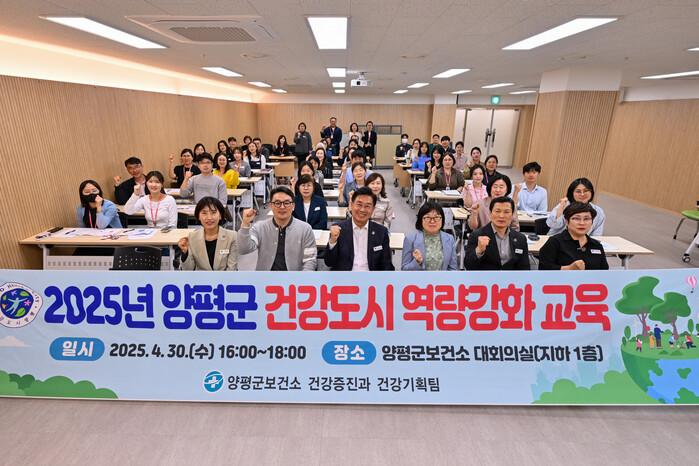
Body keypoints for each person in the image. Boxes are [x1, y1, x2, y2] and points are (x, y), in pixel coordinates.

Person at [238, 187, 317, 271]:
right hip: (265, 278)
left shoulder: (305, 229)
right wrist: (245, 224)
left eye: (286, 203)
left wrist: (302, 278)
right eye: (277, 203)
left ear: (293, 206)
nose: (282, 207)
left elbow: (310, 260)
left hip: (294, 278)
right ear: (271, 206)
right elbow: (243, 249)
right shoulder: (260, 227)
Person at [324, 187, 394, 271]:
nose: (362, 210)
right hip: (345, 276)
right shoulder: (339, 229)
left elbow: (387, 265)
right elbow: (329, 262)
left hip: (371, 276)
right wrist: (332, 241)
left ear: (373, 209)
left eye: (367, 206)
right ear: (352, 205)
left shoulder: (381, 232)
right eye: (359, 204)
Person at [464, 197, 530, 270]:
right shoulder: (477, 235)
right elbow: (468, 266)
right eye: (497, 211)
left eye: (506, 212)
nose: (501, 216)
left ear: (512, 214)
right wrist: (478, 251)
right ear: (490, 213)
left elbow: (525, 268)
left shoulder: (520, 238)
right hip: (486, 276)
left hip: (511, 277)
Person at [538, 202, 609, 270]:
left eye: (586, 219)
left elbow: (604, 271)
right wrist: (568, 269)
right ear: (567, 221)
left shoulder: (596, 245)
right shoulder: (555, 242)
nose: (582, 223)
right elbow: (543, 268)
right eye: (576, 218)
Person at [178, 197, 237, 271]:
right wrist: (185, 253)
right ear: (198, 216)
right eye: (204, 213)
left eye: (213, 212)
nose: (209, 217)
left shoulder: (232, 236)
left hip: (224, 278)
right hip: (201, 278)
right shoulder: (192, 237)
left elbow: (231, 269)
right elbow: (188, 270)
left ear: (220, 215)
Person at [401, 202, 458, 271]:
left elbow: (453, 269)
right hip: (419, 278)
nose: (432, 221)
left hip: (443, 278)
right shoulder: (410, 240)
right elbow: (404, 270)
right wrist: (417, 262)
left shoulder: (449, 239)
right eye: (428, 217)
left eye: (436, 217)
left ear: (442, 219)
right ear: (420, 220)